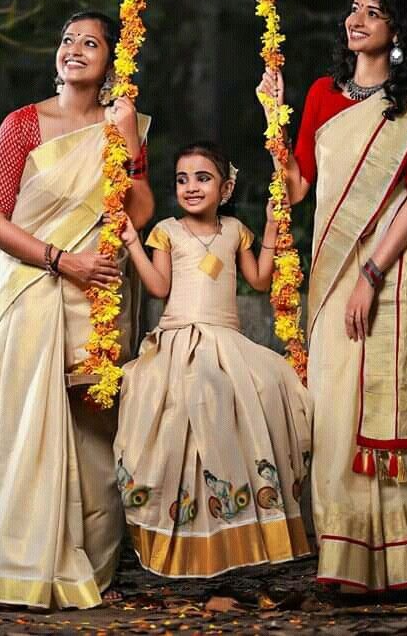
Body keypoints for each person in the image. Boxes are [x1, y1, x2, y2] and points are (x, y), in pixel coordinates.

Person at [257, 0, 407, 592]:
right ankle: (347, 561)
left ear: (397, 29)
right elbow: (297, 188)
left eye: (373, 12)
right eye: (353, 9)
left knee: (391, 404)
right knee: (335, 409)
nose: (356, 20)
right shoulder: (322, 96)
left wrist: (372, 273)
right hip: (335, 272)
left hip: (392, 271)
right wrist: (274, 115)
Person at [0, 11, 153, 610]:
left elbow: (139, 212)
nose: (74, 49)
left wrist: (130, 139)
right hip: (32, 286)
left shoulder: (121, 126)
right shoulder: (22, 124)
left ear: (111, 62)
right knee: (25, 424)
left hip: (98, 294)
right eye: (68, 40)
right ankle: (16, 564)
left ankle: (88, 562)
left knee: (93, 428)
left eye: (90, 43)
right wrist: (63, 261)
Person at [113, 141, 313, 578]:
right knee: (191, 394)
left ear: (225, 189)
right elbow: (159, 288)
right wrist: (131, 243)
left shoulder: (236, 230)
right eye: (182, 179)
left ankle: (240, 532)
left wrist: (272, 227)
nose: (191, 187)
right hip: (179, 337)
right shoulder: (166, 231)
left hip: (226, 340)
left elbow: (260, 280)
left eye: (203, 178)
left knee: (270, 386)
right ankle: (183, 533)